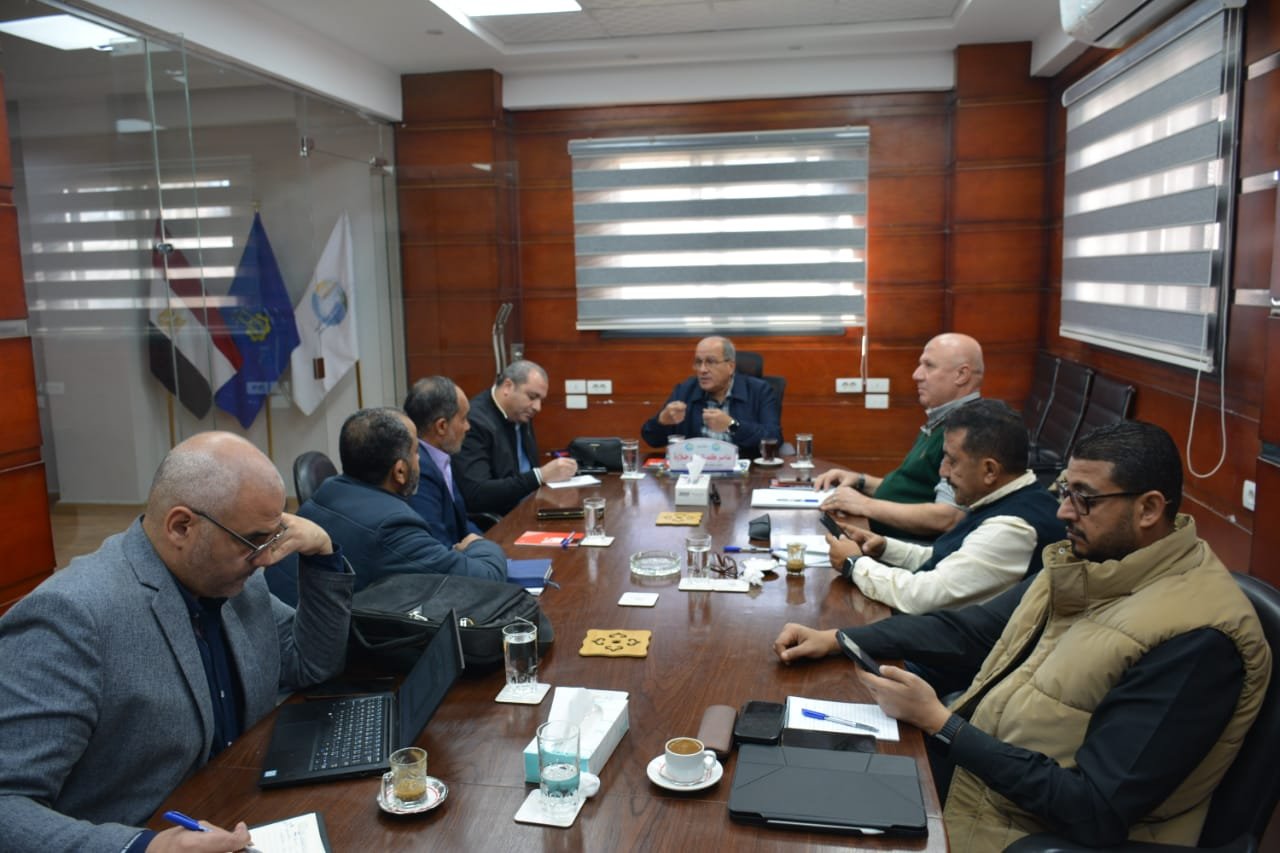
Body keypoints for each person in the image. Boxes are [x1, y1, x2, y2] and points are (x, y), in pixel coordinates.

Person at [775, 421, 1271, 850]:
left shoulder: (1197, 637)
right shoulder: (1089, 567)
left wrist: (942, 724)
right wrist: (839, 638)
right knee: (790, 773)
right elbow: (969, 631)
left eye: (1085, 499)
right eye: (1065, 492)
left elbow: (1094, 809)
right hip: (980, 784)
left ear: (1148, 509)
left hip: (1026, 832)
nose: (1063, 513)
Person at [0, 432, 354, 853]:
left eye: (272, 537)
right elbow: (8, 803)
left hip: (239, 804)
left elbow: (311, 664)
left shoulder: (233, 582)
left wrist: (322, 556)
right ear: (181, 526)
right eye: (254, 541)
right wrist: (141, 848)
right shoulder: (71, 617)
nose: (265, 559)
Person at [825, 399, 1062, 614]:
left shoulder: (1012, 528)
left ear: (990, 470)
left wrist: (855, 564)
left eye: (952, 460)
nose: (943, 471)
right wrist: (885, 548)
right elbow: (951, 558)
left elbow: (923, 597)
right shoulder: (1006, 498)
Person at [268, 408, 505, 605]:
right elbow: (484, 581)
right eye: (416, 452)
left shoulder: (326, 491)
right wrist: (480, 545)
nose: (420, 460)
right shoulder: (392, 526)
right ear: (400, 471)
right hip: (318, 643)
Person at [815, 332, 984, 540]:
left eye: (929, 366)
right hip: (886, 538)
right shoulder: (942, 420)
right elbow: (914, 490)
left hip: (909, 550)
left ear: (961, 375)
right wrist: (861, 481)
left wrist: (864, 505)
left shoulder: (968, 428)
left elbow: (948, 517)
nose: (916, 375)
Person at [455, 360, 577, 517]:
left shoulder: (520, 412)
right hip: (503, 518)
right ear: (508, 387)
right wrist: (539, 476)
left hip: (530, 506)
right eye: (532, 397)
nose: (537, 407)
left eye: (541, 400)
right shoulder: (475, 422)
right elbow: (477, 494)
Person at [640, 335, 781, 454]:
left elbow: (774, 439)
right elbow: (651, 439)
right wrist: (661, 421)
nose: (702, 370)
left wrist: (732, 426)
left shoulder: (759, 390)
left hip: (744, 470)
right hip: (696, 470)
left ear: (730, 367)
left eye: (710, 362)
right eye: (698, 362)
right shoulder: (685, 390)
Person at [404, 375, 483, 547]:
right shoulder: (419, 469)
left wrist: (486, 544)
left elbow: (462, 522)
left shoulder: (440, 456)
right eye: (463, 419)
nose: (468, 427)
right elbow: (436, 541)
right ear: (441, 426)